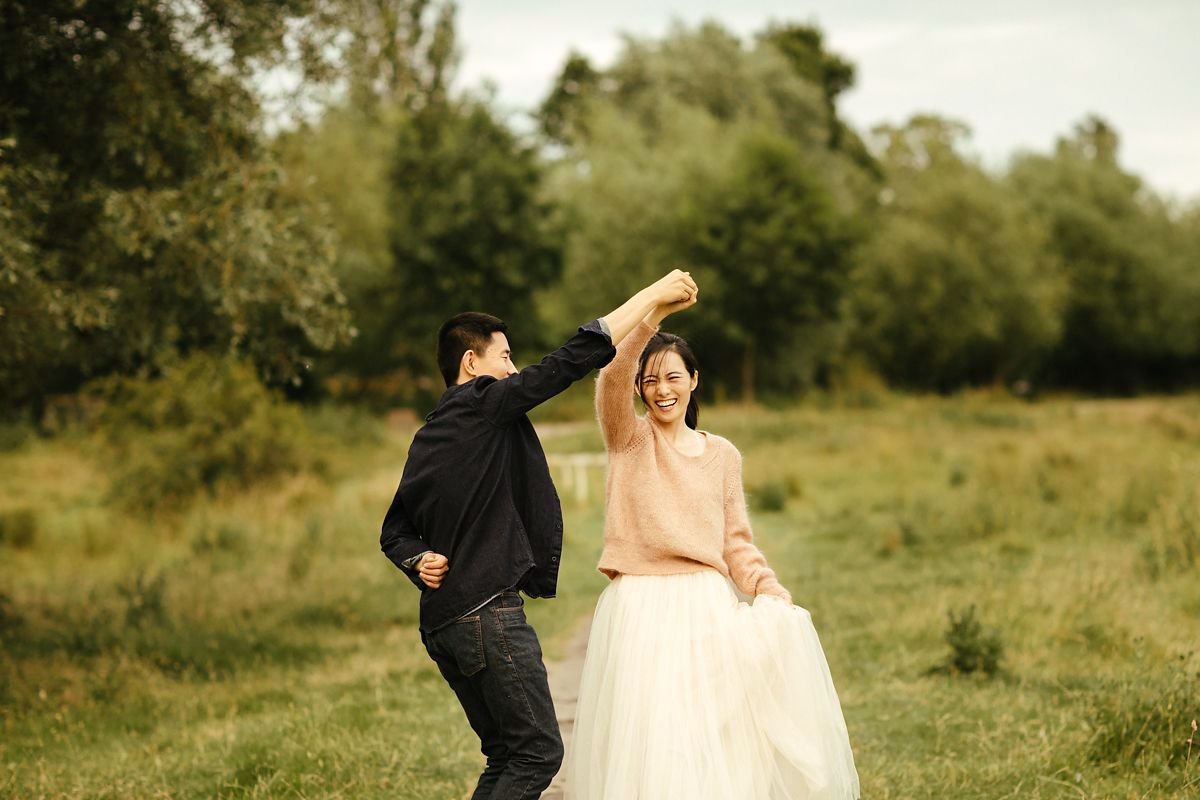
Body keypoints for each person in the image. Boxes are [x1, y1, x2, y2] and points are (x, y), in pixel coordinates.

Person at [379, 269, 699, 800]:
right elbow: (570, 359)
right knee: (538, 754)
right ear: (471, 364)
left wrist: (415, 559)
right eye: (504, 357)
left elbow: (395, 528)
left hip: (443, 626)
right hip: (486, 614)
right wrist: (653, 297)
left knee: (507, 754)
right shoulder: (483, 401)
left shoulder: (429, 433)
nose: (513, 369)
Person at [564, 293, 860, 799]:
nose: (661, 390)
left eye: (673, 377)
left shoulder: (721, 454)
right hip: (640, 607)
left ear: (694, 381)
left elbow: (737, 543)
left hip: (705, 605)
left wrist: (768, 588)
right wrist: (652, 316)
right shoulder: (629, 440)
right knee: (652, 740)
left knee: (709, 738)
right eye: (650, 380)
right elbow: (611, 377)